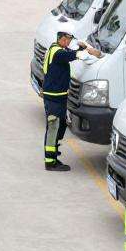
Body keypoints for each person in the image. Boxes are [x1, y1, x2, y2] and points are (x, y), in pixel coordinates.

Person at [41, 25, 101, 171]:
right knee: (54, 127)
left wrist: (80, 48)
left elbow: (72, 52)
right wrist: (87, 51)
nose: (69, 43)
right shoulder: (58, 53)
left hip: (58, 96)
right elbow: (76, 56)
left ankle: (54, 156)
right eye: (68, 40)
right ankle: (50, 162)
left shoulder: (58, 49)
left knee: (60, 126)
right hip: (53, 97)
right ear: (62, 39)